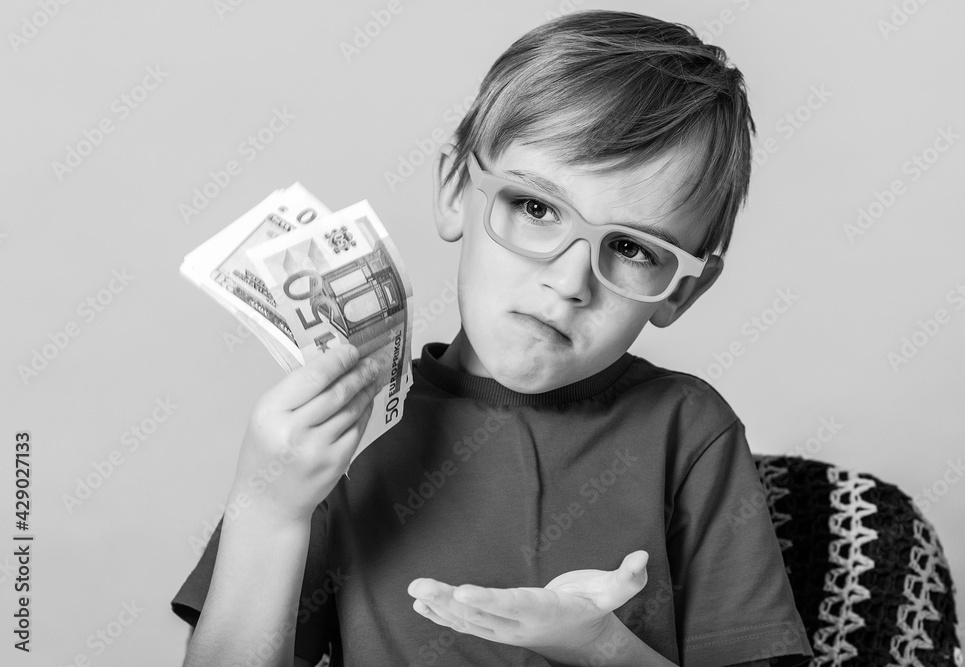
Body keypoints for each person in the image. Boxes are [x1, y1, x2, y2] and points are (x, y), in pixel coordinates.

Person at [172, 9, 813, 666]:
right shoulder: (349, 428)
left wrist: (599, 647)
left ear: (681, 290)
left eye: (630, 248)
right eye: (536, 207)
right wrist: (270, 509)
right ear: (457, 189)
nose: (569, 282)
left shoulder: (690, 432)